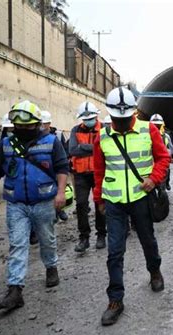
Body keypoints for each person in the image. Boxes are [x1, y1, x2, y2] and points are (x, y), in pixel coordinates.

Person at [93, 87, 170, 326]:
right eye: (118, 119)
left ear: (134, 114)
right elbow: (99, 171)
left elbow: (163, 157)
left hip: (140, 198)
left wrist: (154, 178)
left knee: (148, 240)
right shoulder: (102, 137)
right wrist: (99, 200)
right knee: (115, 251)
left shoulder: (148, 130)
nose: (123, 123)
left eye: (127, 119)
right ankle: (115, 299)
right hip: (114, 202)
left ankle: (154, 271)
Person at [0, 100, 68, 310]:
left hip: (44, 201)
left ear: (36, 124)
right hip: (17, 204)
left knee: (47, 239)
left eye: (27, 126)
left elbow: (62, 168)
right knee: (18, 244)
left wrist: (60, 193)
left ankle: (51, 267)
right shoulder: (6, 145)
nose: (22, 130)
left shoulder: (51, 141)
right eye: (18, 127)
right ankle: (15, 289)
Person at [69, 101, 107, 252]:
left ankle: (101, 235)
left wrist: (83, 147)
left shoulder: (105, 129)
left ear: (97, 116)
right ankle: (84, 238)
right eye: (84, 119)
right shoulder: (75, 130)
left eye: (89, 118)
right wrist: (94, 148)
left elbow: (105, 148)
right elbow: (73, 150)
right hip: (81, 174)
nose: (87, 121)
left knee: (100, 203)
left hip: (99, 172)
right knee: (81, 205)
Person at [41, 110, 69, 222]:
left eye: (45, 123)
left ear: (49, 123)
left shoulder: (58, 135)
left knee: (58, 191)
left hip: (56, 168)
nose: (42, 125)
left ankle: (59, 210)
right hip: (44, 169)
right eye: (41, 123)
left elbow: (65, 151)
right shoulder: (37, 137)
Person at [150, 114, 173, 190]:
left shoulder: (166, 136)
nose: (156, 127)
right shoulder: (146, 136)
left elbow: (171, 147)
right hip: (150, 164)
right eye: (154, 125)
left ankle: (166, 184)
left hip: (162, 161)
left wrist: (168, 156)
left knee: (164, 177)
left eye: (158, 125)